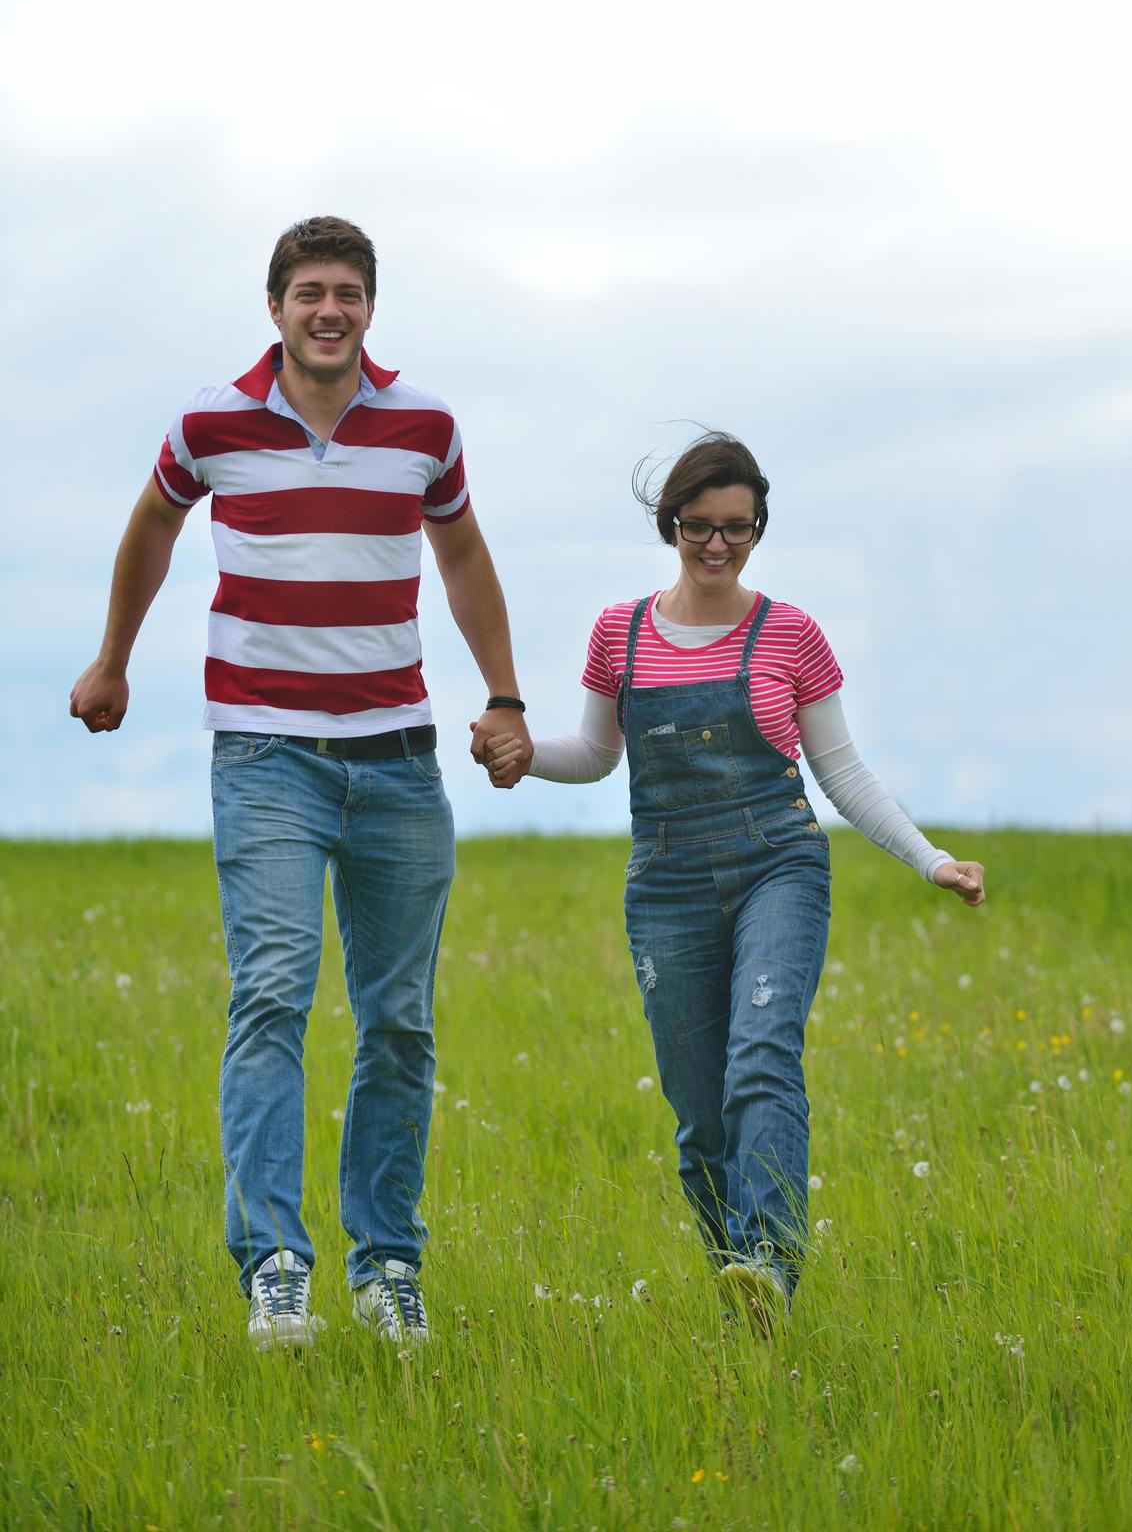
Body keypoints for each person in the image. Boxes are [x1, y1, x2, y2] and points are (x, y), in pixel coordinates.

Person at [69, 217, 530, 1350]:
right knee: (272, 993)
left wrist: (506, 697)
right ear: (275, 306)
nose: (330, 310)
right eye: (310, 291)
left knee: (400, 1021)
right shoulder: (208, 424)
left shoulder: (425, 426)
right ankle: (276, 1262)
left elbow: (462, 554)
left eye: (350, 293)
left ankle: (387, 1266)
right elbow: (152, 528)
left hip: (399, 759)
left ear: (371, 308)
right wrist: (113, 658)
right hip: (265, 756)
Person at [482, 432, 984, 1334]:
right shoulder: (619, 632)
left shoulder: (790, 633)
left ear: (758, 529)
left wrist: (929, 858)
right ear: (669, 524)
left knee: (762, 1055)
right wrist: (523, 758)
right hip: (666, 879)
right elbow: (596, 755)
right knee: (697, 1115)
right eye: (698, 528)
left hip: (777, 865)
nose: (717, 548)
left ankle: (770, 1262)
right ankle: (739, 1292)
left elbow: (843, 772)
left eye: (737, 531)